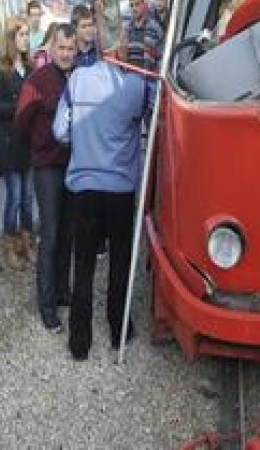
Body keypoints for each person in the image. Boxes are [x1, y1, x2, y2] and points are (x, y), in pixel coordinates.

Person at [53, 59, 152, 360]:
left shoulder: (77, 79)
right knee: (120, 265)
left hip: (84, 187)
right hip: (120, 189)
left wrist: (85, 142)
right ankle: (118, 329)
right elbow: (156, 119)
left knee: (82, 267)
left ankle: (79, 343)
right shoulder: (137, 86)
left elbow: (60, 131)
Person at [14, 24, 76, 333]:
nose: (66, 54)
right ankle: (47, 305)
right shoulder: (37, 80)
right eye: (61, 48)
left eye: (70, 49)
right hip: (47, 166)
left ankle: (63, 291)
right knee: (50, 235)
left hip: (73, 166)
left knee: (67, 232)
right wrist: (40, 146)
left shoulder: (78, 77)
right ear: (51, 48)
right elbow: (22, 122)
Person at [0, 18, 35, 271]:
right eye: (22, 35)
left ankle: (28, 241)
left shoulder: (30, 67)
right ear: (11, 38)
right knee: (15, 197)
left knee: (28, 198)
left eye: (27, 34)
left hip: (27, 143)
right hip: (8, 143)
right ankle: (10, 245)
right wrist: (20, 108)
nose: (26, 39)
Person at [119, 0, 164, 72]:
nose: (134, 8)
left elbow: (162, 57)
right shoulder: (126, 29)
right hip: (130, 77)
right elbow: (122, 58)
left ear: (144, 4)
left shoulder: (155, 27)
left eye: (137, 4)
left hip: (148, 79)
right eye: (131, 5)